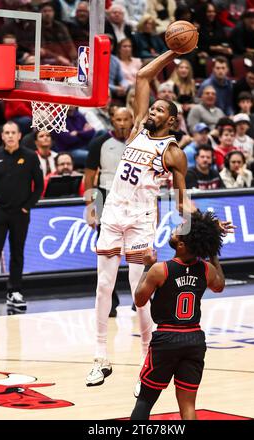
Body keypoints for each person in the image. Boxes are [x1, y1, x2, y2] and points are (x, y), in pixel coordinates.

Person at [85, 48, 192, 387]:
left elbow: (181, 200)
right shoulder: (136, 132)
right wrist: (172, 52)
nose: (152, 111)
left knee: (137, 291)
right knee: (103, 286)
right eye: (153, 107)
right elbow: (143, 76)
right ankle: (100, 358)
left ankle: (149, 360)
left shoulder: (173, 153)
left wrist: (198, 227)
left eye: (159, 109)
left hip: (141, 220)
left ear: (170, 120)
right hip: (113, 213)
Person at [130, 210, 226, 420]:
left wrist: (146, 265)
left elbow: (139, 300)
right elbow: (219, 286)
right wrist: (213, 250)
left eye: (178, 232)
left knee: (145, 401)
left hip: (167, 340)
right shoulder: (207, 269)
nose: (174, 231)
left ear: (181, 245)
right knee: (188, 406)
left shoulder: (159, 269)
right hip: (194, 339)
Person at [0, 121, 44, 314]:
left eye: (13, 133)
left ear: (20, 135)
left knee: (17, 252)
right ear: (2, 136)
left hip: (20, 213)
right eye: (7, 133)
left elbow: (39, 185)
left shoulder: (29, 157)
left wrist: (27, 206)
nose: (10, 136)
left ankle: (15, 291)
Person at [85, 107, 134, 317]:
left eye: (125, 119)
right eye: (118, 119)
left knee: (137, 253)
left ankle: (139, 299)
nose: (122, 123)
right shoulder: (99, 143)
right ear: (112, 120)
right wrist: (90, 208)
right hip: (106, 198)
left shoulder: (140, 142)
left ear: (132, 120)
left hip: (134, 198)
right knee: (108, 254)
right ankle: (110, 303)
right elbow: (89, 178)